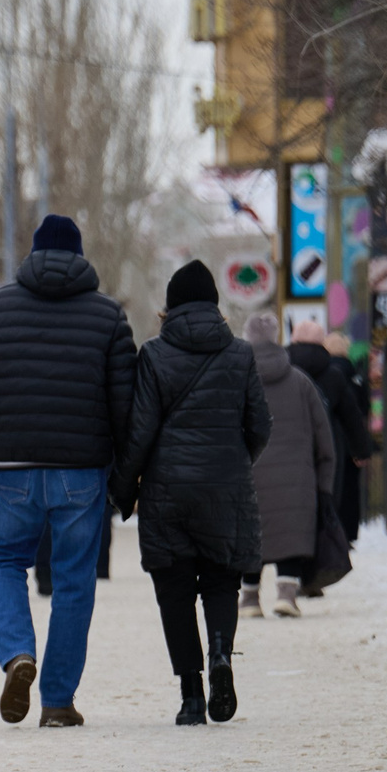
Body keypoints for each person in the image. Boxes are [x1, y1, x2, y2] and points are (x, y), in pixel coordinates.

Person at [0, 214, 135, 729]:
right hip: (82, 472)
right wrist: (126, 475)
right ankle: (57, 701)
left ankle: (17, 653)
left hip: (11, 470)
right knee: (75, 582)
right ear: (80, 256)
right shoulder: (108, 317)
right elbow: (126, 406)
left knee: (6, 564)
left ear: (32, 254)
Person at [115, 261, 269, 724]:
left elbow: (139, 433)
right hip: (227, 490)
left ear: (170, 307)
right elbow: (260, 425)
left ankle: (191, 696)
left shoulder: (154, 355)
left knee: (175, 589)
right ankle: (221, 654)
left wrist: (124, 490)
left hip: (168, 496)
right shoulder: (240, 354)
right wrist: (235, 461)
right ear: (216, 306)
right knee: (222, 580)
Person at [241, 313, 337, 617]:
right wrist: (325, 483)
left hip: (249, 474)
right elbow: (324, 437)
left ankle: (250, 597)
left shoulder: (236, 380)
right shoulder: (300, 381)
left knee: (250, 532)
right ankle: (286, 593)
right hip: (296, 478)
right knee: (290, 531)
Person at [288, 325, 372, 559]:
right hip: (330, 446)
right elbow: (353, 415)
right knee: (326, 498)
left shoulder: (286, 369)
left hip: (292, 448)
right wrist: (362, 449)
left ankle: (294, 557)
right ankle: (318, 558)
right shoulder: (334, 374)